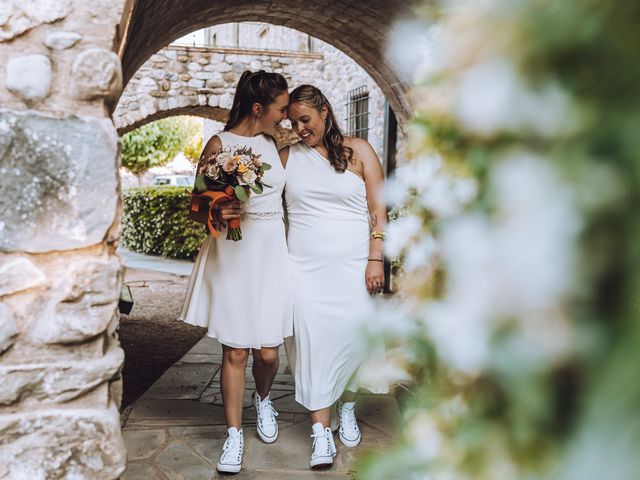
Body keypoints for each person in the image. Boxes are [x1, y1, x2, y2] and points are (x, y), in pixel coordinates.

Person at [179, 70, 293, 474]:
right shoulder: (219, 143)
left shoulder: (273, 142)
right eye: (281, 109)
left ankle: (263, 401)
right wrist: (216, 208)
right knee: (237, 349)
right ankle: (233, 434)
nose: (285, 115)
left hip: (271, 251)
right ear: (258, 108)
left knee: (267, 350)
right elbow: (195, 204)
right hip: (233, 252)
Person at [279, 84, 387, 469]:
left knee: (356, 338)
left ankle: (348, 406)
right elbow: (260, 204)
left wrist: (376, 257)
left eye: (305, 120)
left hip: (355, 267)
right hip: (304, 271)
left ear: (324, 111)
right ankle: (321, 433)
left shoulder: (359, 152)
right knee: (312, 345)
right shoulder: (287, 157)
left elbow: (379, 210)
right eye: (292, 122)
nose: (299, 128)